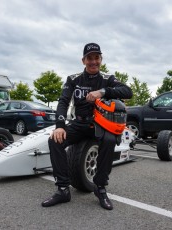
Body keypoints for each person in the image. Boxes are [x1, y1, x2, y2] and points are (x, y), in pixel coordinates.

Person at [41, 43, 133, 210]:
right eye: (89, 58)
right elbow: (63, 102)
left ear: (101, 59)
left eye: (96, 58)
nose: (93, 61)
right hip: (79, 123)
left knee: (110, 139)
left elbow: (128, 91)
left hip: (99, 123)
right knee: (54, 141)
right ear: (83, 60)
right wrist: (60, 125)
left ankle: (100, 188)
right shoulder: (73, 79)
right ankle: (62, 189)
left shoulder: (107, 78)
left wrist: (103, 92)